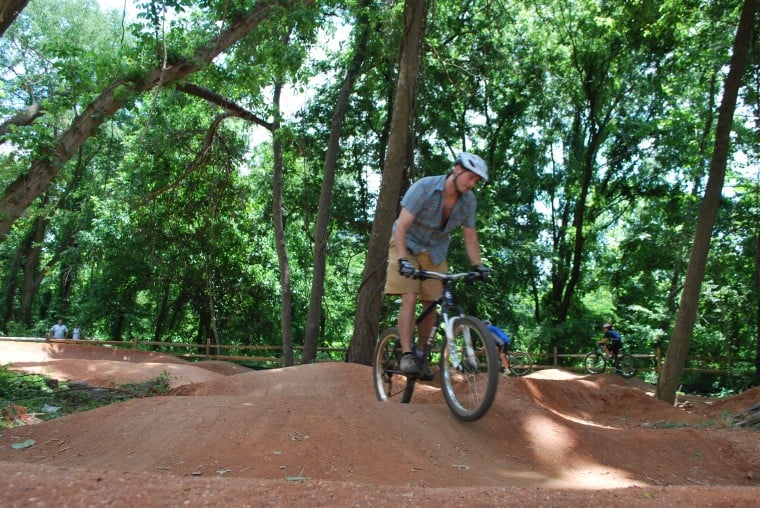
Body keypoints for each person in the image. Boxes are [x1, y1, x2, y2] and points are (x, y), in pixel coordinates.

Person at [384, 152, 491, 380]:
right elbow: (401, 227)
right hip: (406, 245)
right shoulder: (424, 187)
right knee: (410, 296)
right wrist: (403, 259)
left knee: (432, 301)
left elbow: (470, 237)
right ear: (457, 169)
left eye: (476, 181)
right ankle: (406, 354)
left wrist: (478, 264)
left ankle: (421, 353)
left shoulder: (469, 201)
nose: (472, 184)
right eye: (470, 178)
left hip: (435, 251)